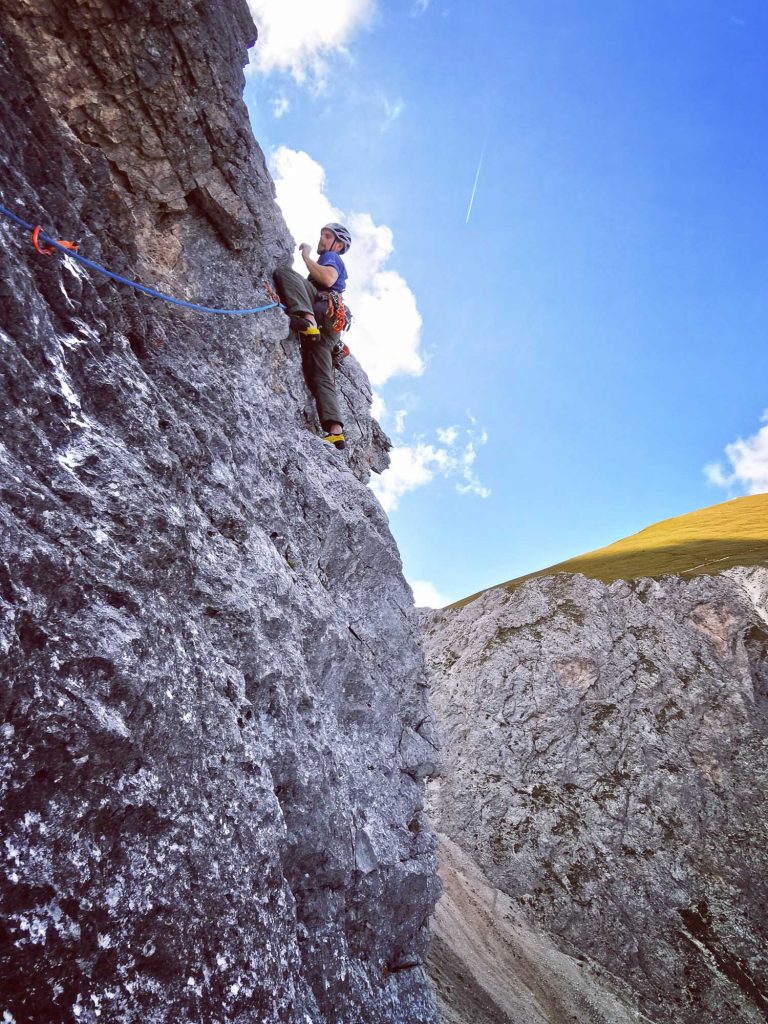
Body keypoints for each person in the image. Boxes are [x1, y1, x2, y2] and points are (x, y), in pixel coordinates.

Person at [274, 223, 352, 451]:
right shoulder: (330, 257)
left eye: (327, 236)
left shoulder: (331, 257)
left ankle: (307, 320)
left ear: (338, 245)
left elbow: (327, 280)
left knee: (284, 272)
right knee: (321, 376)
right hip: (330, 328)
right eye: (322, 235)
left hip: (321, 310)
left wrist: (307, 256)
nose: (322, 240)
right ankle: (336, 432)